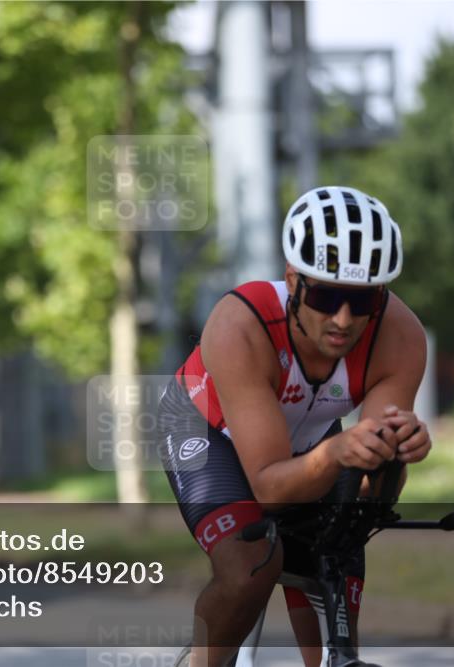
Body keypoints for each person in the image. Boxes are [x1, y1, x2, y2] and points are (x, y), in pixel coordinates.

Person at [159, 186, 432, 667]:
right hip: (206, 430)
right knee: (251, 568)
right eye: (326, 296)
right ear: (293, 280)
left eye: (362, 300)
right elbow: (268, 488)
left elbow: (371, 487)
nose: (343, 319)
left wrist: (394, 452)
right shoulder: (240, 325)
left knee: (339, 545)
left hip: (308, 439)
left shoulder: (400, 337)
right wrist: (334, 453)